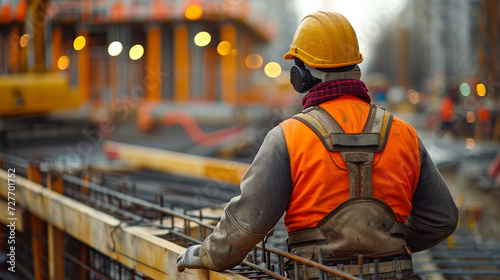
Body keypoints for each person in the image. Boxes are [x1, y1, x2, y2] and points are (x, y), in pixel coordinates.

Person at [177, 11, 458, 280]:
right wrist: (384, 241)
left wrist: (206, 254)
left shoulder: (288, 137)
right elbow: (442, 218)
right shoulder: (404, 134)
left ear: (301, 75)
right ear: (356, 68)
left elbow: (247, 224)